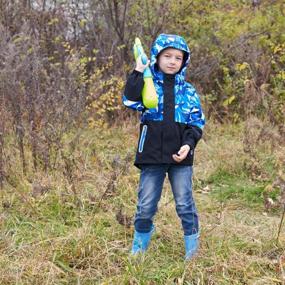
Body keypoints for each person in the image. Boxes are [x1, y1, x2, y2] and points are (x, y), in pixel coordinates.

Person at [122, 34, 205, 260]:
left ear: (183, 62)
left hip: (181, 158)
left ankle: (192, 251)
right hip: (151, 156)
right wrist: (138, 72)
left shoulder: (188, 91)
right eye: (167, 56)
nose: (172, 61)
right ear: (156, 58)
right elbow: (129, 100)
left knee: (185, 203)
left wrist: (188, 145)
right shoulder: (148, 85)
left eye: (178, 58)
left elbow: (196, 122)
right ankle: (139, 247)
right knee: (146, 204)